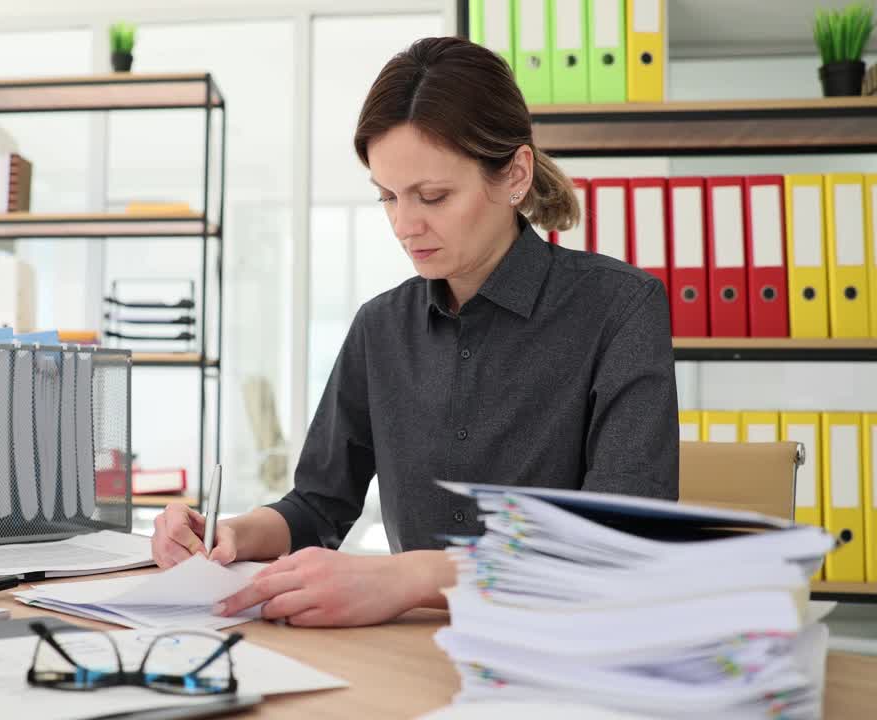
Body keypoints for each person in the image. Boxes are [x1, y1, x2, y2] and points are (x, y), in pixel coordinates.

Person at [152, 36, 679, 627]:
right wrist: (227, 533)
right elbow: (318, 506)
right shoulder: (380, 326)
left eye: (433, 196)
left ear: (515, 175)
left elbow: (620, 542)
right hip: (410, 652)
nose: (405, 225)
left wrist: (410, 577)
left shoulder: (620, 308)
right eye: (388, 197)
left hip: (565, 647)